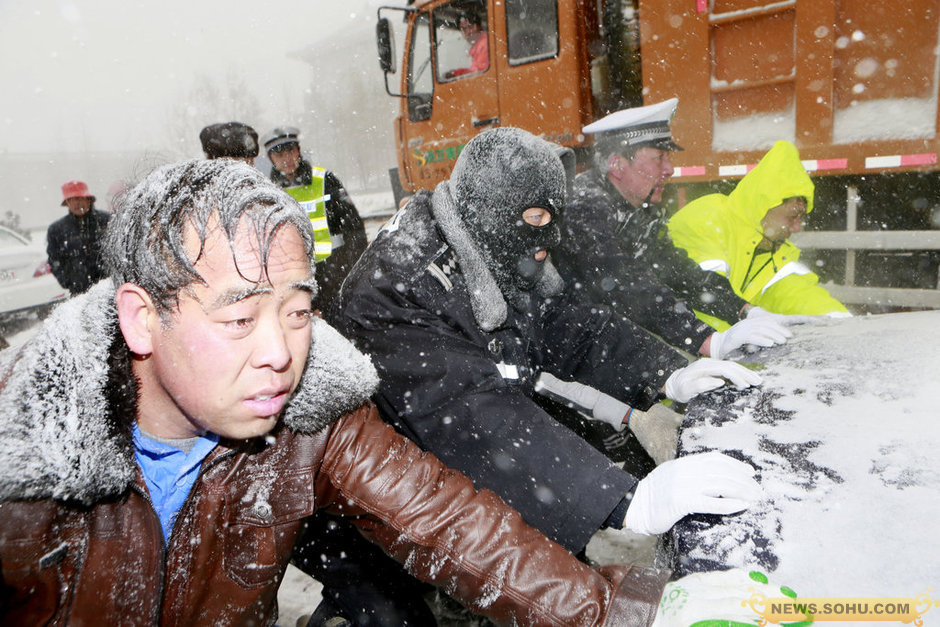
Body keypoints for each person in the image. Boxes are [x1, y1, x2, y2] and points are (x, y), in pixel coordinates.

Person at [1, 158, 681, 626]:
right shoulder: (21, 456)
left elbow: (450, 522)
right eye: (239, 318)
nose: (278, 353)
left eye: (296, 312)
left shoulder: (311, 410)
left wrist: (620, 610)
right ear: (141, 318)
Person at [330, 127, 764, 559]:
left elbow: (562, 325)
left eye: (554, 218)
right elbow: (473, 416)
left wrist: (668, 372)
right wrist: (622, 500)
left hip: (458, 440)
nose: (550, 237)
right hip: (370, 485)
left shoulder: (485, 237)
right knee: (394, 605)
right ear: (495, 210)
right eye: (537, 217)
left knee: (553, 537)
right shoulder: (399, 288)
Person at [556, 98, 794, 357]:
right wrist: (706, 340)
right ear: (617, 165)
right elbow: (624, 286)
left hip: (603, 343)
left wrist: (745, 311)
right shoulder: (583, 207)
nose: (669, 169)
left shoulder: (637, 211)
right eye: (659, 158)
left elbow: (679, 272)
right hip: (564, 352)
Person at [667, 139, 850, 329]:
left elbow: (794, 293)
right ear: (765, 205)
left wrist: (843, 325)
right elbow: (706, 303)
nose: (797, 227)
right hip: (678, 349)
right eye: (793, 216)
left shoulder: (770, 249)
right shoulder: (707, 221)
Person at [263, 126, 367, 312]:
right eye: (279, 155)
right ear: (271, 159)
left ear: (298, 151)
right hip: (295, 281)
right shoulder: (268, 192)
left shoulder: (325, 180)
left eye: (290, 151)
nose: (286, 159)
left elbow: (354, 227)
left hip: (335, 273)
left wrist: (352, 269)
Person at [45, 179, 110, 294]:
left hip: (110, 286)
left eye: (80, 198)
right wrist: (68, 281)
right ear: (67, 203)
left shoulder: (107, 221)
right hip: (79, 292)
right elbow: (54, 259)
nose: (77, 203)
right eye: (72, 199)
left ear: (88, 200)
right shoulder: (56, 230)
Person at [444, 11, 489, 78]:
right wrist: (456, 73)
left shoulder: (485, 44)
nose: (468, 32)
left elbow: (481, 76)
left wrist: (457, 74)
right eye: (463, 29)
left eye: (470, 27)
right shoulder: (477, 46)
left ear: (479, 26)